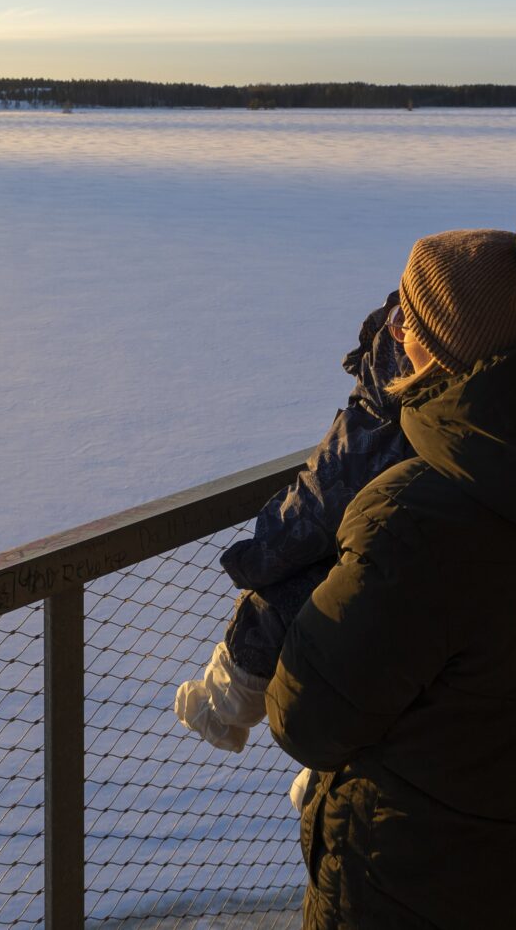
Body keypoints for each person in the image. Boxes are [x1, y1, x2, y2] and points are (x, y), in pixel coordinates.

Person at [266, 207, 516, 929]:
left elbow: (305, 716)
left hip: (417, 886)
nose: (392, 332)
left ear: (447, 354)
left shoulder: (418, 519)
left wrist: (312, 579)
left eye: (408, 320)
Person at [172, 292, 417, 753]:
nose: (398, 327)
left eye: (405, 321)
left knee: (278, 605)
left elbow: (323, 497)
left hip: (382, 600)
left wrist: (260, 557)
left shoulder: (387, 410)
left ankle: (225, 709)